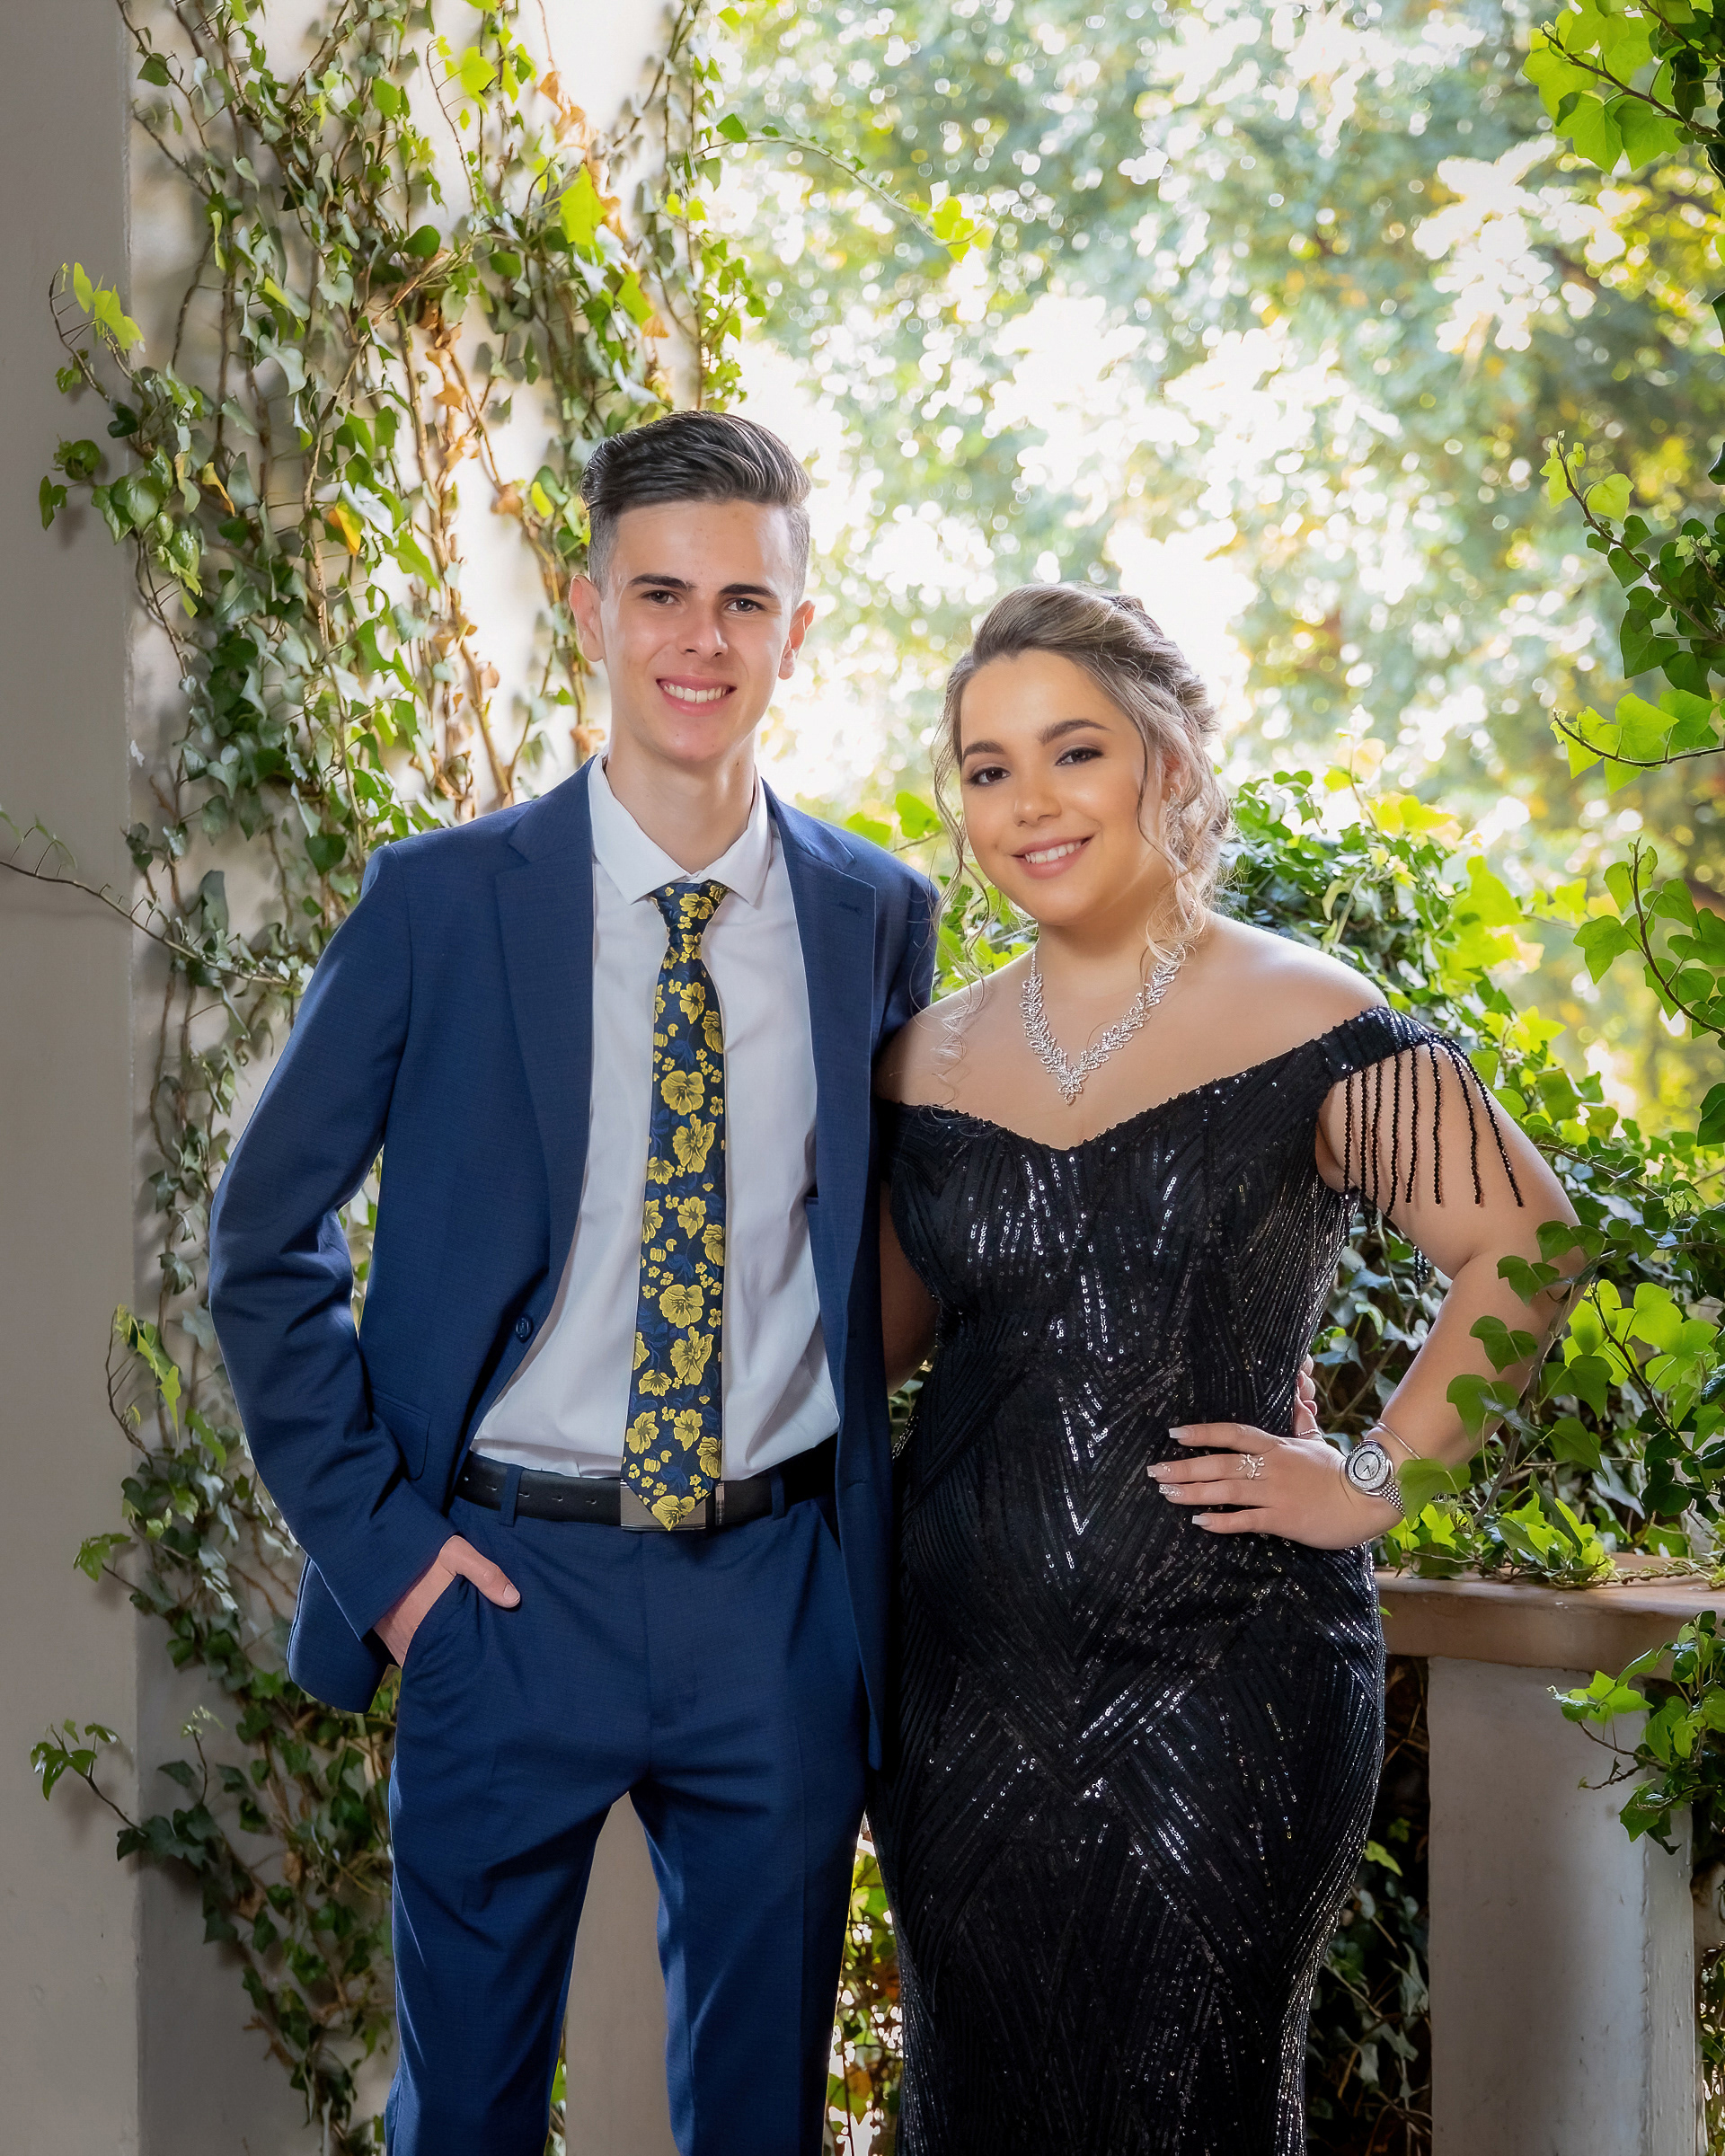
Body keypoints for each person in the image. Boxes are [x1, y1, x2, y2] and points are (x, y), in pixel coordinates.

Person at [208, 411, 939, 2155]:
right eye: (662, 593)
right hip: (503, 1590)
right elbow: (261, 1242)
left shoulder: (875, 916)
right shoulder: (440, 903)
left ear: (798, 630)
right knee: (464, 2115)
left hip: (775, 1595)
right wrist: (394, 1566)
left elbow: (924, 1241)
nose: (703, 639)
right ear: (593, 609)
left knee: (760, 2119)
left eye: (745, 601)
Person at [870, 582, 1576, 2155]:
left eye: (1074, 751)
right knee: (970, 2103)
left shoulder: (1311, 1015)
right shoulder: (920, 1059)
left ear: (1169, 764)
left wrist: (1373, 1477)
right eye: (988, 768)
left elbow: (1526, 1248)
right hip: (956, 1689)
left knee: (1197, 2104)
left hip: (1231, 1681)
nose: (1030, 802)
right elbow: (873, 1350)